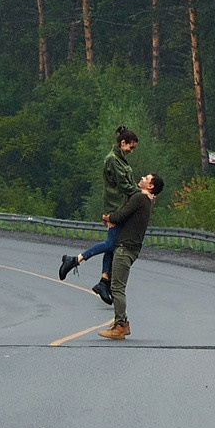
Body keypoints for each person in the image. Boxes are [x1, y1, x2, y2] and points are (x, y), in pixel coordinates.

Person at [58, 126, 139, 303]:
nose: (131, 151)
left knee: (113, 245)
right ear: (123, 143)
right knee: (111, 243)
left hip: (121, 206)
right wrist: (143, 194)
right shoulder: (112, 160)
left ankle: (104, 281)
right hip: (115, 207)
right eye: (131, 147)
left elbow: (129, 184)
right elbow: (124, 185)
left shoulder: (121, 160)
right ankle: (75, 260)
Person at [97, 172, 162, 340]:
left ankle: (119, 326)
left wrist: (107, 217)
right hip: (131, 248)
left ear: (151, 186)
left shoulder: (140, 198)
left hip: (125, 248)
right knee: (117, 286)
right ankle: (123, 324)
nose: (142, 178)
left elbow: (121, 215)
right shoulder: (145, 200)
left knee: (117, 288)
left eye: (146, 178)